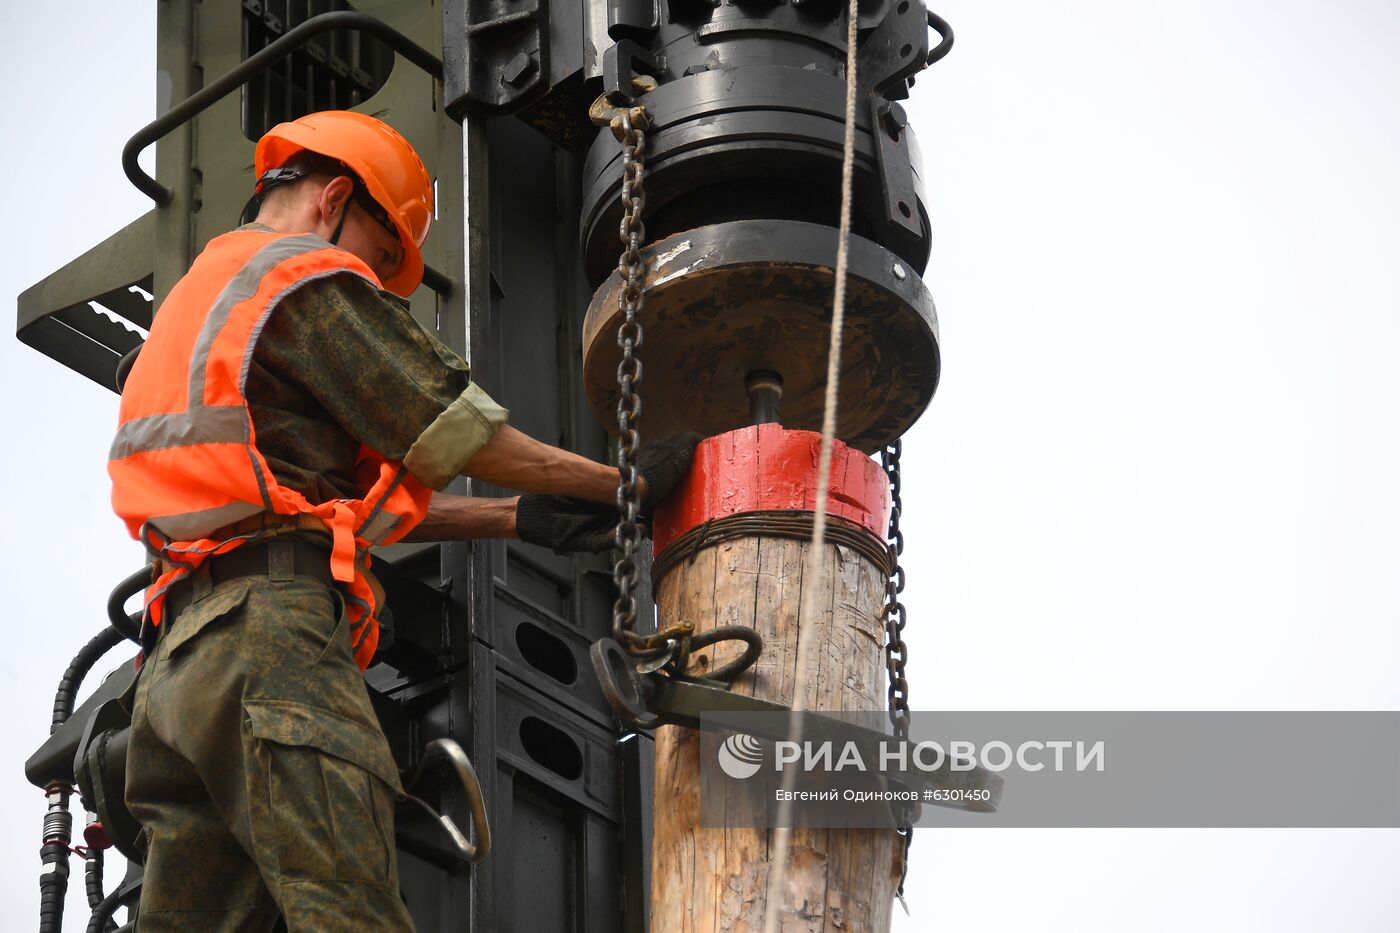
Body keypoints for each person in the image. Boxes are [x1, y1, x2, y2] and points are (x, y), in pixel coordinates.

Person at [107, 110, 695, 931]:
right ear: (335, 198)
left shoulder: (197, 310)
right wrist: (620, 482)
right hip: (270, 643)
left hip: (177, 677)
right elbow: (456, 428)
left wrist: (521, 519)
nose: (377, 285)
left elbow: (325, 513)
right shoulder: (299, 277)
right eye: (382, 258)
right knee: (351, 909)